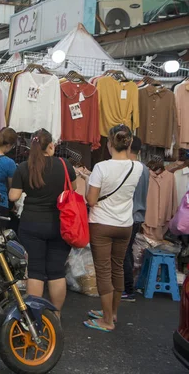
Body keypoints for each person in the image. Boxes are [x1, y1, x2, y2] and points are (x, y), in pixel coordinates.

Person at [78, 125, 143, 332]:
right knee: (117, 269)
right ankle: (112, 313)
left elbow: (92, 200)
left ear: (109, 144)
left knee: (104, 272)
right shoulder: (138, 167)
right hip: (125, 224)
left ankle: (106, 320)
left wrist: (88, 181)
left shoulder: (101, 168)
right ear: (130, 143)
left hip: (102, 224)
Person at [9, 128, 76, 317]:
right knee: (56, 271)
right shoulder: (64, 165)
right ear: (51, 146)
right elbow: (74, 188)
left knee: (35, 270)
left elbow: (13, 196)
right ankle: (56, 316)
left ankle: (35, 316)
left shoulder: (23, 167)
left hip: (32, 224)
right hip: (60, 224)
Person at [121, 136, 149, 302]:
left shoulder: (130, 167)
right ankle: (128, 288)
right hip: (138, 216)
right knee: (127, 253)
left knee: (123, 254)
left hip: (128, 216)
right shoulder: (144, 168)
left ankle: (128, 289)